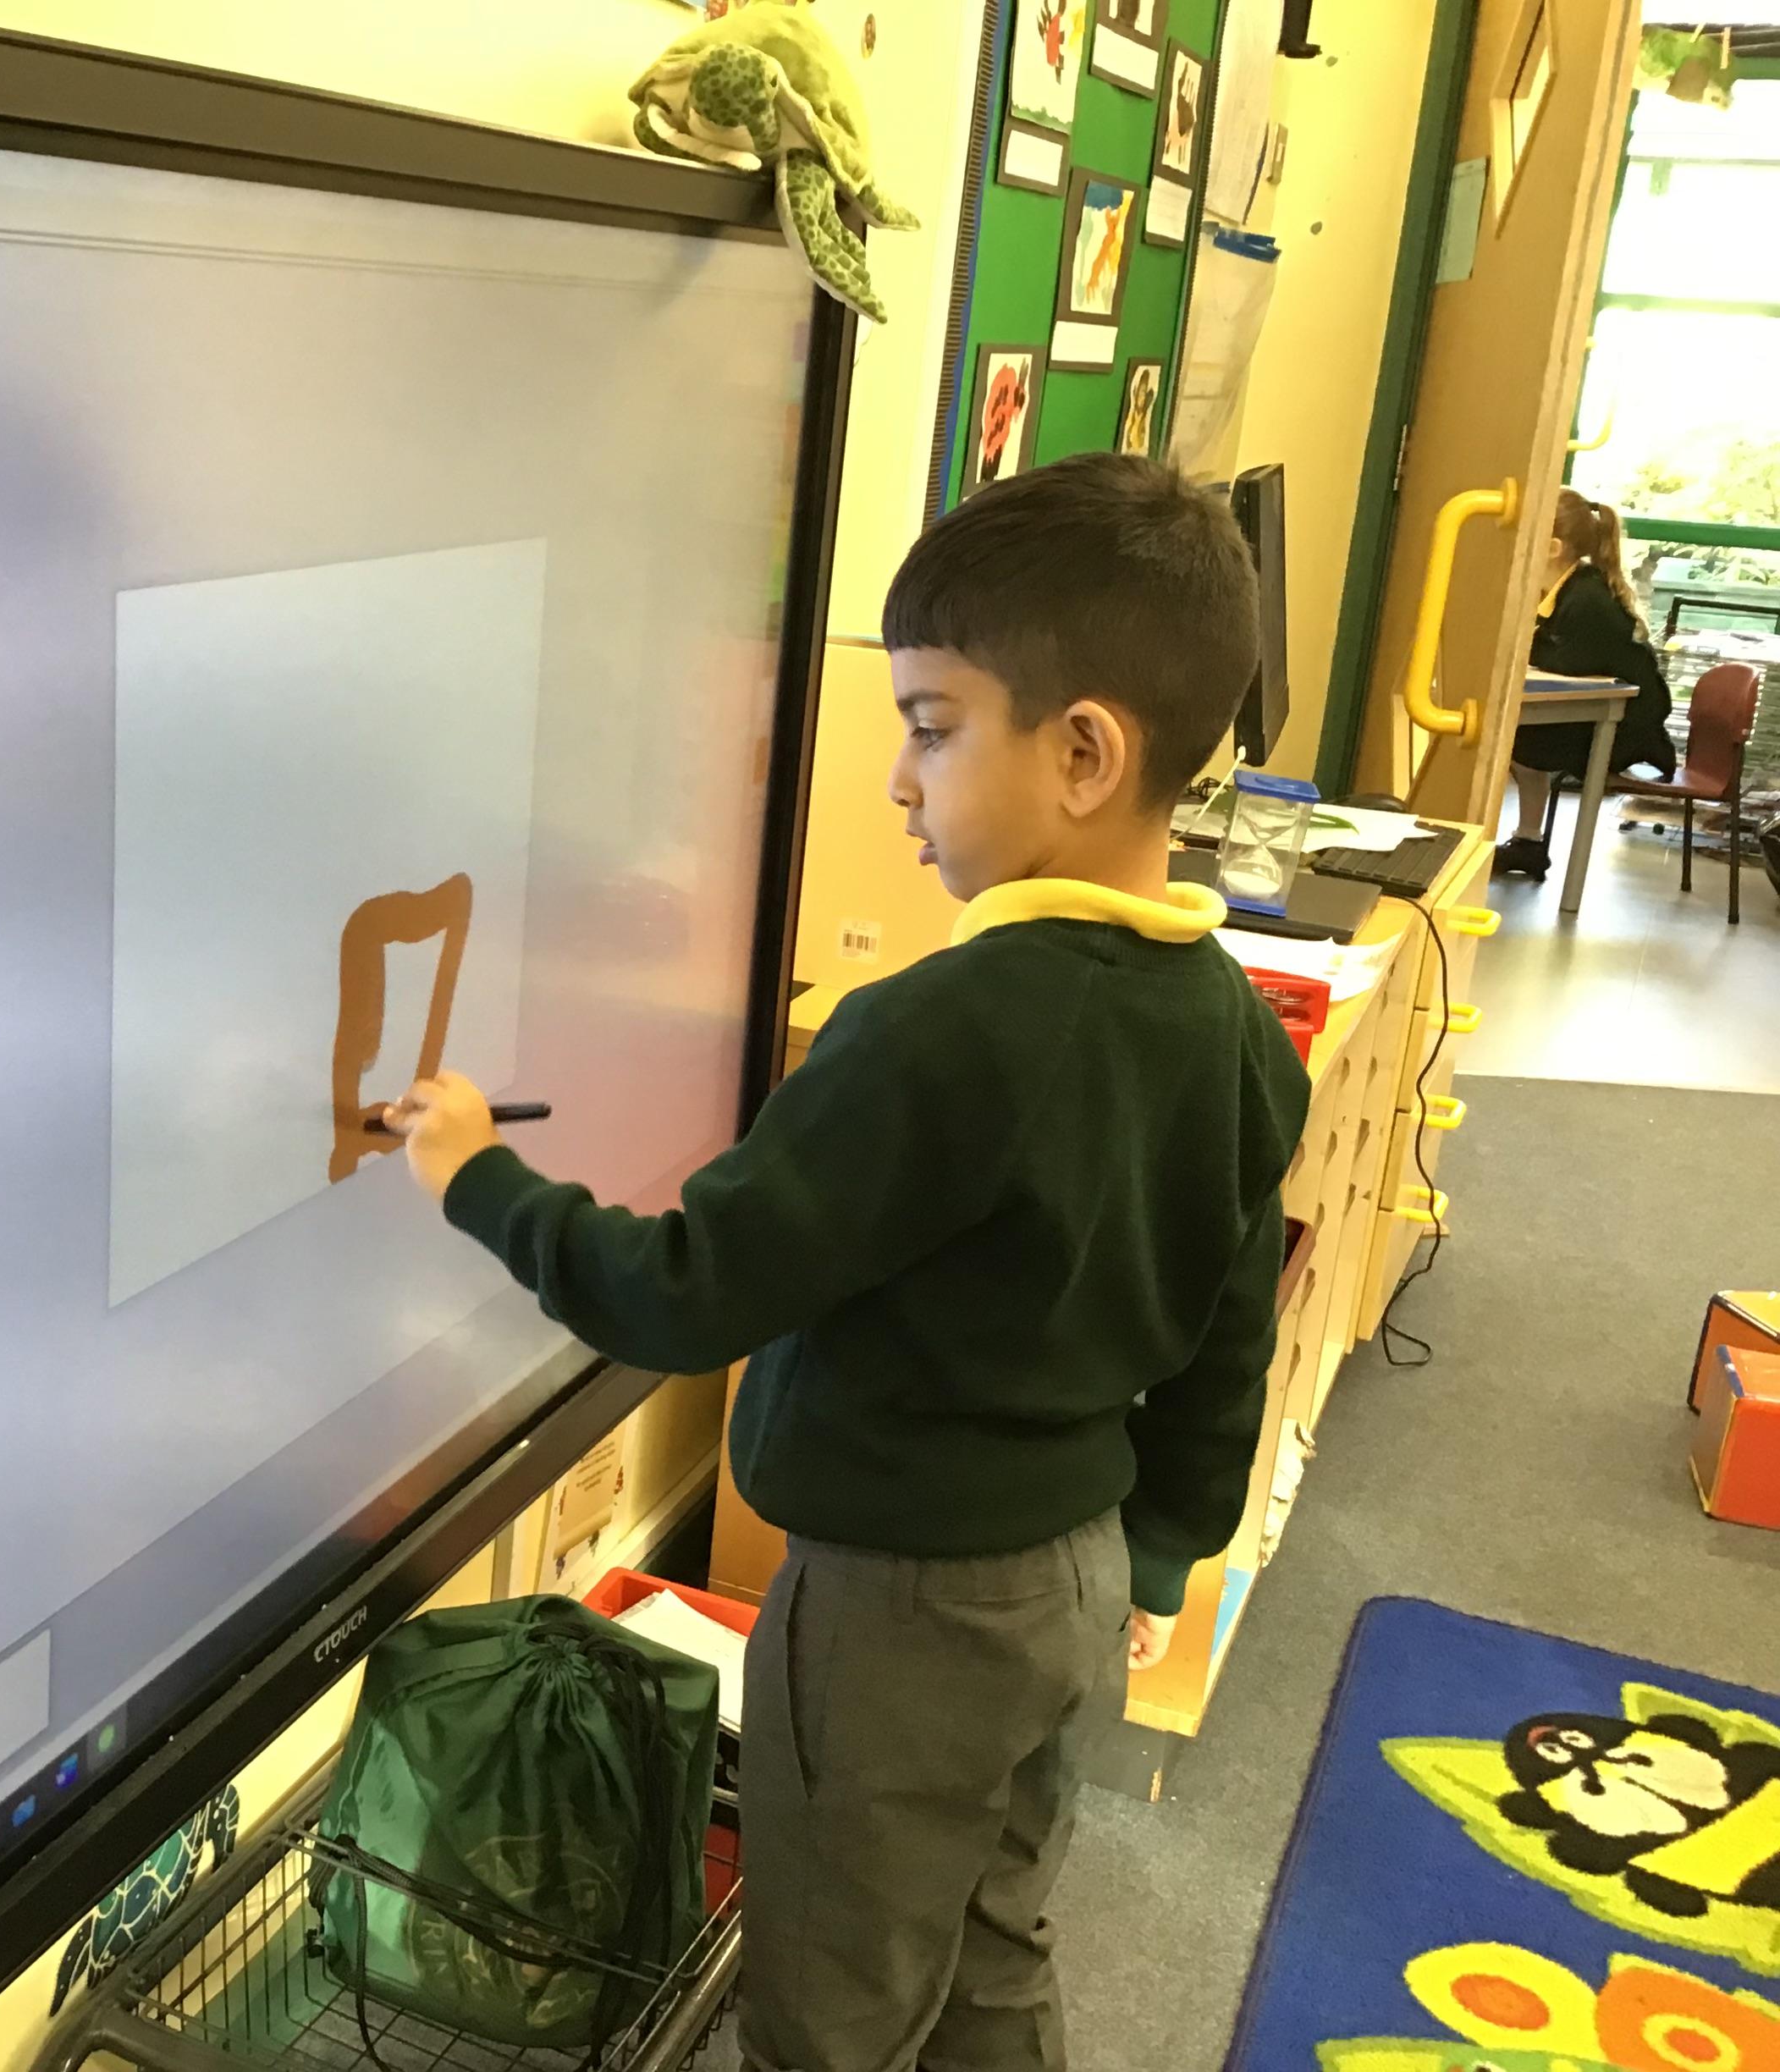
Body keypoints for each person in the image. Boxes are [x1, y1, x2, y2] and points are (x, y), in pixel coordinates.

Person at [380, 453, 1309, 2072]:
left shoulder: (932, 1031)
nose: (895, 780)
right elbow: (1230, 1335)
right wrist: (1162, 1555)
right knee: (989, 1944)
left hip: (902, 1609)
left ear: (1081, 752)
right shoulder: (1229, 1022)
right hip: (1077, 1572)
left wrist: (477, 1175)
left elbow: (680, 1292)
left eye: (930, 728)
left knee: (832, 1997)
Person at [1498, 488, 1676, 879]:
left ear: (1551, 548)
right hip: (1600, 713)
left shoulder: (1587, 596)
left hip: (1625, 727)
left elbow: (1571, 661)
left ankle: (1527, 842)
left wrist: (1525, 647)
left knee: (1508, 738)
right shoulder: (1564, 589)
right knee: (1513, 738)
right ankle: (1528, 842)